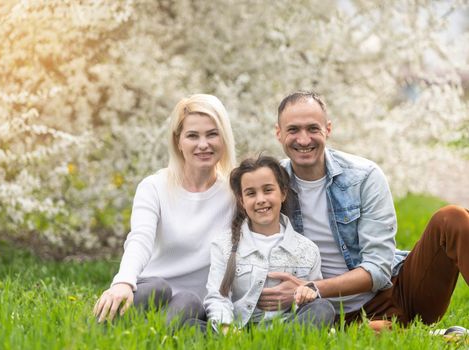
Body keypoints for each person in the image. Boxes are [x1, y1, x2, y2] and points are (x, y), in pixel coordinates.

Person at [257, 90, 469, 326]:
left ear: (328, 129)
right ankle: (390, 329)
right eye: (293, 130)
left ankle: (395, 322)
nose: (304, 139)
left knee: (453, 218)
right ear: (278, 133)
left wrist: (314, 288)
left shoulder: (364, 176)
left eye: (313, 129)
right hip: (323, 314)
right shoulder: (268, 186)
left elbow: (378, 268)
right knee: (377, 331)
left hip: (394, 295)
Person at [93, 94, 236, 326]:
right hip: (152, 294)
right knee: (158, 288)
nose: (203, 144)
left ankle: (155, 338)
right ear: (178, 141)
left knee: (188, 300)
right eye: (192, 136)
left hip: (195, 306)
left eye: (212, 134)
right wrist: (124, 282)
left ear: (224, 138)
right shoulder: (154, 187)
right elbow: (140, 239)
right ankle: (108, 328)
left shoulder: (235, 193)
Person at [201, 155, 335, 334]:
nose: (260, 199)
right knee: (192, 325)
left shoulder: (308, 250)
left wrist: (307, 293)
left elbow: (311, 297)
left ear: (283, 193)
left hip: (286, 333)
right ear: (242, 201)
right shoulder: (223, 245)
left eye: (268, 190)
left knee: (323, 308)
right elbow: (218, 298)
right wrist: (229, 332)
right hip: (238, 333)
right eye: (251, 193)